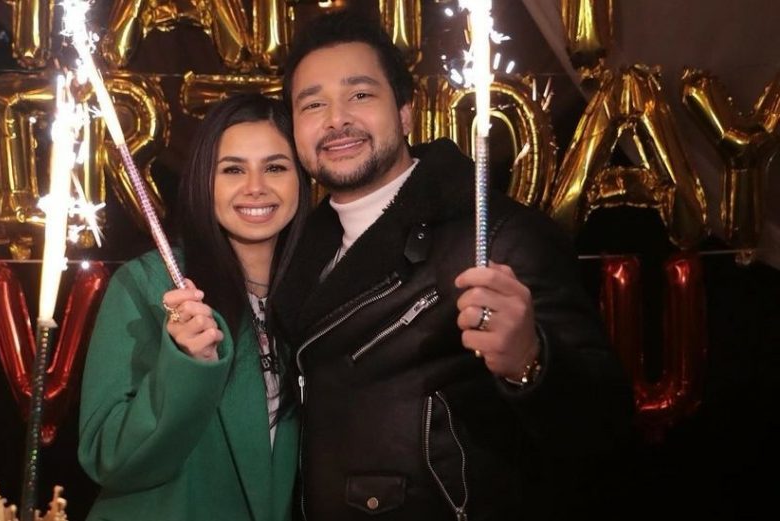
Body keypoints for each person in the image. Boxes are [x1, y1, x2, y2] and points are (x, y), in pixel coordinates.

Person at [272, 10, 635, 521]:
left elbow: (605, 428)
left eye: (360, 95)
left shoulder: (499, 237)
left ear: (405, 113)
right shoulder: (296, 247)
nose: (336, 120)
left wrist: (531, 361)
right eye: (313, 104)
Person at [77, 93, 311, 521]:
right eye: (232, 169)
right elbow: (109, 459)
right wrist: (185, 367)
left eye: (276, 167)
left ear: (303, 178)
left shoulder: (322, 291)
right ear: (205, 180)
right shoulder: (148, 285)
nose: (255, 186)